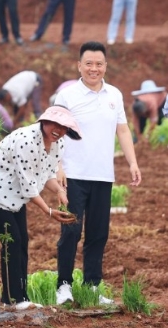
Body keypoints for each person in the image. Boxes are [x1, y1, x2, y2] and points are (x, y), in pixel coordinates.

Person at [55, 41, 142, 305]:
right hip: (73, 175)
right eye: (89, 64)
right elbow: (53, 133)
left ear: (106, 66)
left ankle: (92, 285)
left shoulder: (114, 95)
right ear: (79, 66)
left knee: (98, 233)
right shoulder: (68, 96)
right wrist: (58, 166)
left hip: (103, 176)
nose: (94, 69)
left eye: (99, 64)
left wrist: (132, 162)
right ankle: (64, 286)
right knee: (70, 231)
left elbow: (123, 130)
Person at [0, 106, 82, 307]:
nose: (58, 129)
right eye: (54, 124)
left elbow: (47, 173)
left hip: (14, 193)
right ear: (44, 121)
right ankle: (14, 299)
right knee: (11, 241)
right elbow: (28, 186)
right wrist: (49, 211)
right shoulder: (26, 140)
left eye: (64, 127)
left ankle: (18, 297)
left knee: (22, 240)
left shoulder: (57, 143)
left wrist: (59, 190)